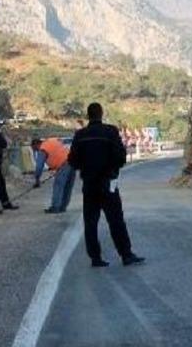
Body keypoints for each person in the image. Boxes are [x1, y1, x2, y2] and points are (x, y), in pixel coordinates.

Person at [67, 103, 144, 267]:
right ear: (101, 114)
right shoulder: (110, 131)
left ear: (88, 115)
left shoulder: (80, 135)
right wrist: (112, 169)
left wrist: (86, 168)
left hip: (89, 184)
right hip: (108, 183)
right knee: (116, 220)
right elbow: (120, 156)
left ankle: (95, 258)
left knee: (90, 222)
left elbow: (72, 160)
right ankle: (126, 255)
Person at [34, 137, 77, 214]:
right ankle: (63, 207)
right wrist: (54, 166)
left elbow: (39, 167)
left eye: (34, 149)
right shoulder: (53, 140)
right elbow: (61, 148)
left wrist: (37, 180)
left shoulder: (43, 149)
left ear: (36, 144)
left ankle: (55, 207)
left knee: (58, 186)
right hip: (72, 161)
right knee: (67, 187)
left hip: (64, 165)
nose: (35, 151)